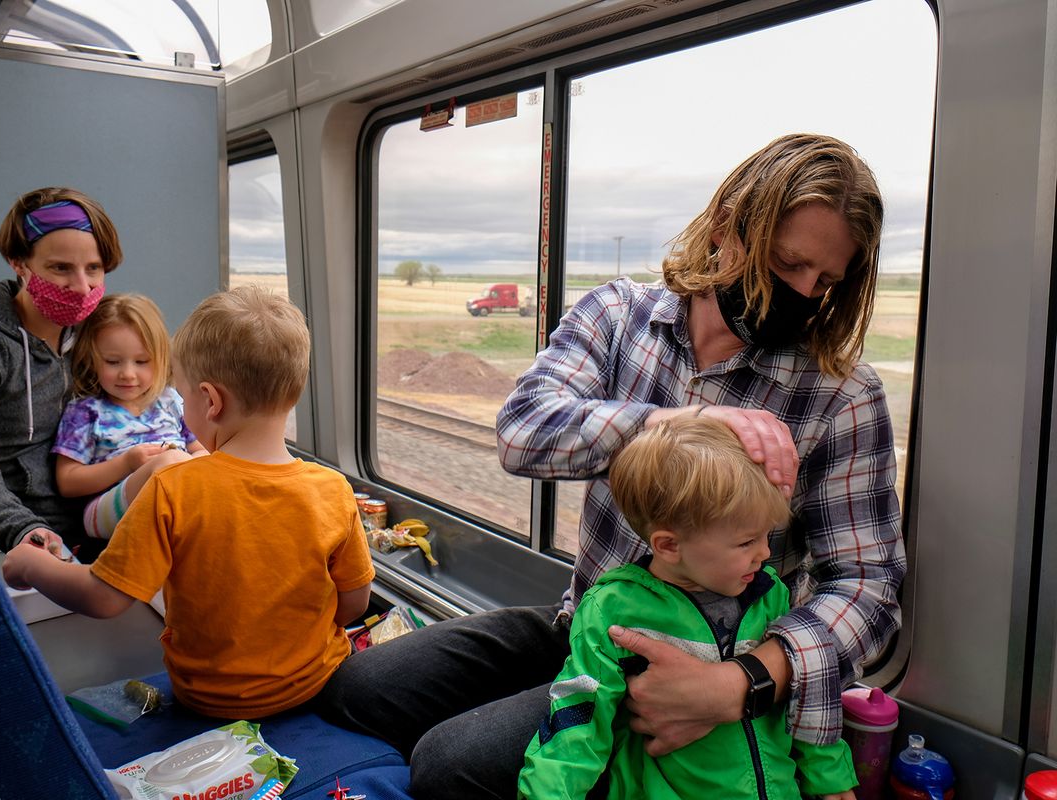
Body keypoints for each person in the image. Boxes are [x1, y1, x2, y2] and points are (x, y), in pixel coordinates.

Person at [315, 133, 904, 799]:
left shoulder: (842, 395)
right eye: (787, 262)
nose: (803, 293)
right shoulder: (619, 316)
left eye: (824, 281)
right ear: (727, 227)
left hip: (708, 663)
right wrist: (674, 422)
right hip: (590, 624)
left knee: (450, 764)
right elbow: (522, 432)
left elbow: (869, 586)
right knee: (361, 689)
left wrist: (742, 683)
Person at [2, 286, 375, 718]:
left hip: (213, 700)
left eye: (182, 396)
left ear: (211, 401)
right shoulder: (333, 488)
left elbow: (103, 598)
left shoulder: (173, 487)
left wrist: (29, 565)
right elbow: (354, 604)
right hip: (315, 682)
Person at [517, 415, 857, 800]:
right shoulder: (615, 612)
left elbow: (804, 694)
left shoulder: (770, 596)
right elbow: (577, 722)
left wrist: (828, 774)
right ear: (668, 546)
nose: (764, 554)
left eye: (767, 536)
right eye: (747, 542)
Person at [0, 187, 122, 559]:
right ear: (18, 263)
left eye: (94, 268)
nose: (82, 287)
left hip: (99, 512)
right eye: (60, 268)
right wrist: (22, 529)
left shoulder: (97, 329)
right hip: (22, 528)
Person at [53, 293, 206, 540]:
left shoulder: (170, 401)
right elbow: (67, 482)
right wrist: (127, 464)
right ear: (92, 358)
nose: (128, 374)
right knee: (170, 464)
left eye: (141, 361)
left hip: (172, 494)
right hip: (104, 511)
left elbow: (199, 450)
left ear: (160, 358)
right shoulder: (85, 412)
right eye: (113, 362)